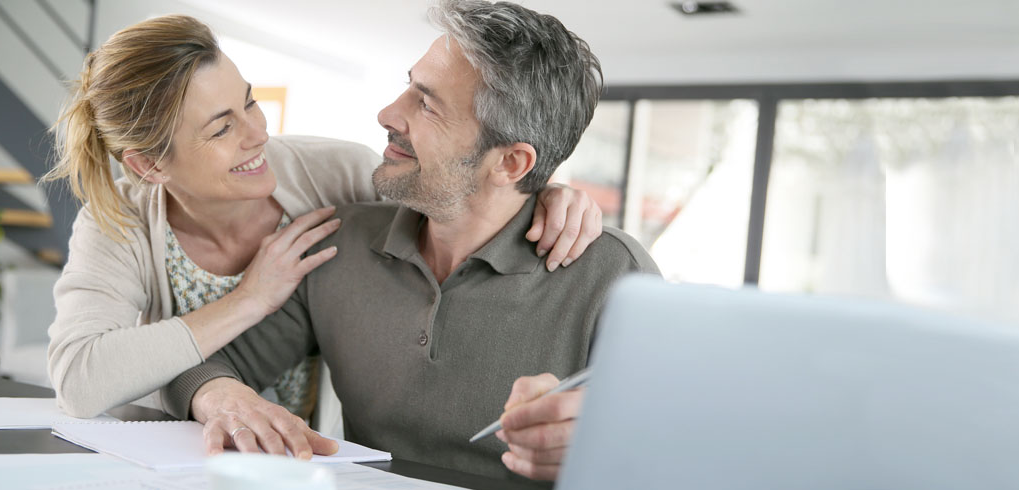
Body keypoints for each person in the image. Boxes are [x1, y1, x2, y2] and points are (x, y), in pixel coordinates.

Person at [163, 0, 660, 482]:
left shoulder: (613, 275)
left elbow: (673, 447)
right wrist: (221, 395)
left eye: (426, 104)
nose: (386, 113)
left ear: (510, 164)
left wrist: (605, 451)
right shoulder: (339, 241)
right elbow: (205, 366)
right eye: (409, 87)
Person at [44, 14, 606, 420]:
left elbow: (456, 188)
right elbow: (81, 380)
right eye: (220, 129)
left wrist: (542, 190)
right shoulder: (117, 219)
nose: (257, 133)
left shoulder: (334, 176)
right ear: (148, 165)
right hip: (177, 448)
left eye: (250, 102)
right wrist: (249, 300)